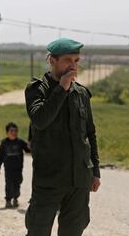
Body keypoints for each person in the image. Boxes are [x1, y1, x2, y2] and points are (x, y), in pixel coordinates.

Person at [24, 38, 101, 236]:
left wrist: (95, 171)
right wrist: (62, 89)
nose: (73, 65)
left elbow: (89, 134)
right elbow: (40, 119)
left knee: (73, 231)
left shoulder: (81, 93)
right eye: (68, 60)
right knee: (38, 230)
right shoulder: (37, 90)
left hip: (79, 179)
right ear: (52, 60)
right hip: (49, 179)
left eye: (76, 60)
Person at [0, 122, 30, 208]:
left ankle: (15, 198)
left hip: (18, 168)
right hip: (8, 168)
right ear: (7, 132)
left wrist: (31, 146)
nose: (14, 132)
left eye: (15, 131)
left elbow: (28, 150)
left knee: (17, 183)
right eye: (11, 131)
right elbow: (0, 155)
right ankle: (8, 200)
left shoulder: (20, 142)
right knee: (8, 184)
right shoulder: (4, 143)